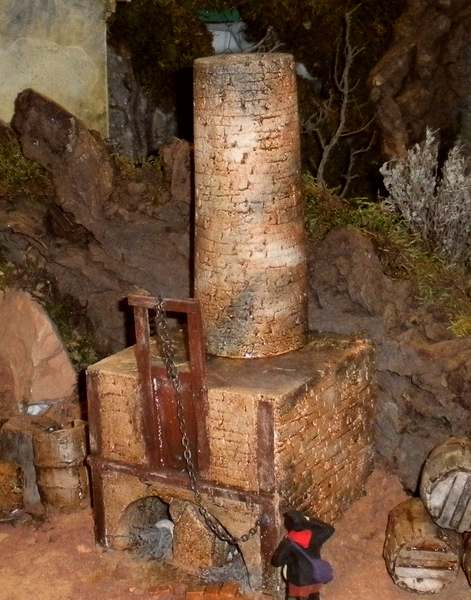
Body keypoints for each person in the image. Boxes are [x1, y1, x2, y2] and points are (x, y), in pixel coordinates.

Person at [272, 510, 335, 600]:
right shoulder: (314, 536)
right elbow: (329, 529)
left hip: (298, 582)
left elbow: (276, 562)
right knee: (313, 597)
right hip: (314, 577)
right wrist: (309, 520)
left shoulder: (288, 543)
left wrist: (287, 558)